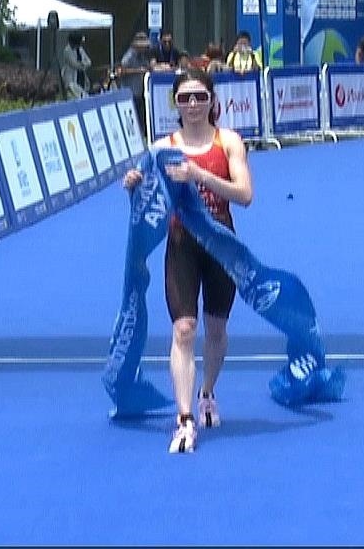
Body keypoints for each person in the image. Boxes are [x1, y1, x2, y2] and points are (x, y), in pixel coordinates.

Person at [122, 68, 253, 454]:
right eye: (184, 98)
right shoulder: (162, 148)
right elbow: (146, 203)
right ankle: (184, 418)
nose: (193, 104)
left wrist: (199, 175)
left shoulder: (228, 142)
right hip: (181, 244)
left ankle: (207, 392)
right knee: (183, 329)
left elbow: (244, 195)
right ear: (175, 105)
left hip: (221, 245)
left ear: (212, 101)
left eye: (200, 97)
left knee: (215, 329)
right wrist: (133, 187)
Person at [117, 31, 154, 132]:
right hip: (130, 91)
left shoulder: (142, 56)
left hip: (139, 91)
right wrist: (138, 70)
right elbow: (121, 71)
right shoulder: (129, 56)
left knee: (139, 116)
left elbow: (147, 66)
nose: (145, 49)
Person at [61, 31, 92, 99]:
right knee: (74, 95)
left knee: (84, 94)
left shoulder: (80, 49)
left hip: (82, 76)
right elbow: (74, 65)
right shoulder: (67, 51)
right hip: (71, 78)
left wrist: (83, 64)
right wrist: (83, 64)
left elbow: (89, 62)